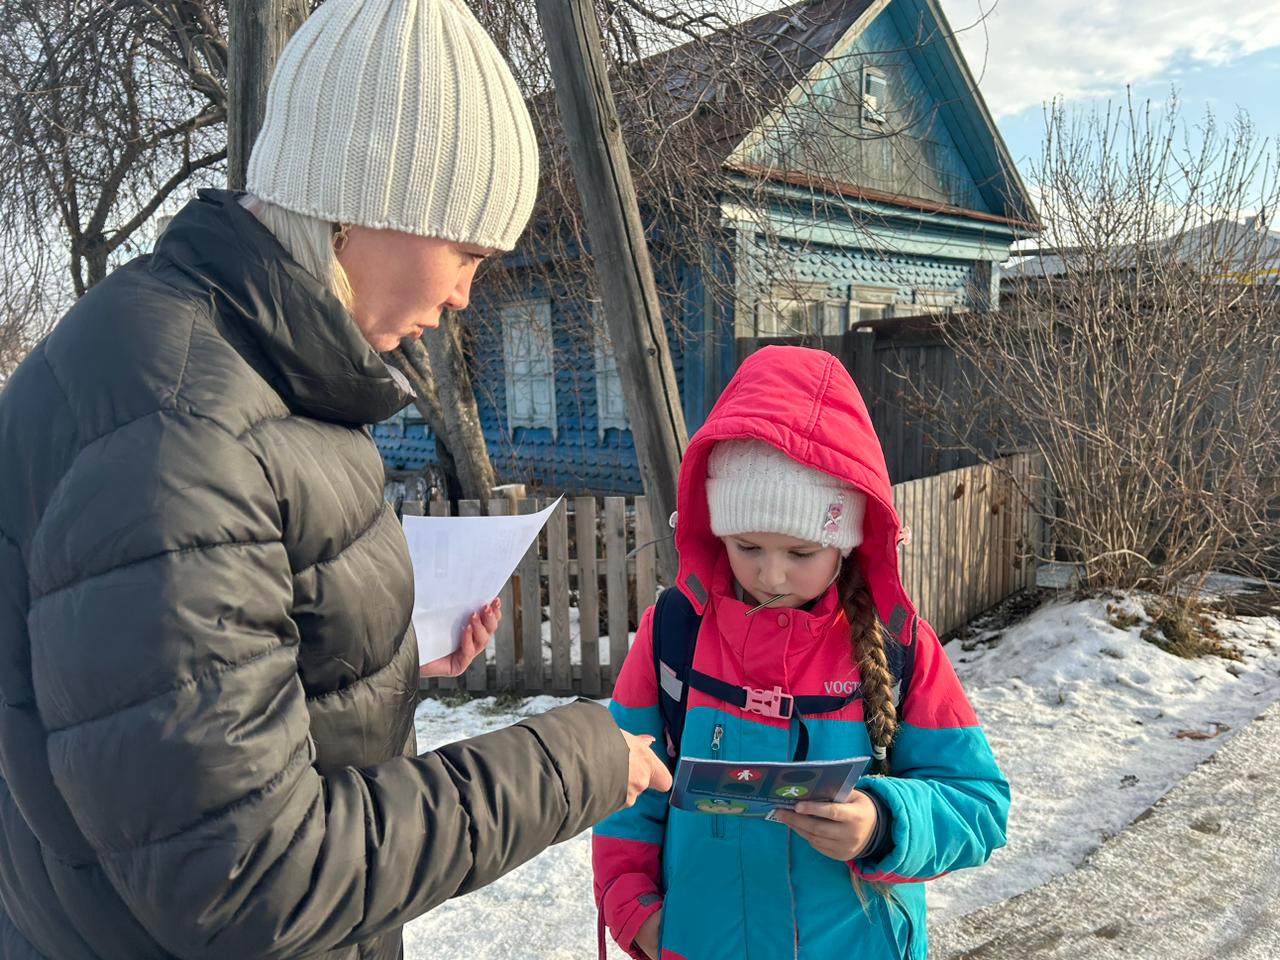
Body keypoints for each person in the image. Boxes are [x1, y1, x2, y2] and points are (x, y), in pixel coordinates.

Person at [0, 1, 669, 957]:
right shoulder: (178, 424)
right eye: (469, 251)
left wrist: (379, 662)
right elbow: (246, 875)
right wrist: (577, 758)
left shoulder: (227, 366)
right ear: (370, 195)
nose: (463, 295)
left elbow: (157, 724)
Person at [592, 346, 1009, 960]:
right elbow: (621, 793)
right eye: (747, 546)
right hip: (703, 942)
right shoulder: (672, 635)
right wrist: (636, 913)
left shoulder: (899, 646)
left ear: (845, 542)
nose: (773, 575)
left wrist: (883, 822)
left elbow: (978, 804)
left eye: (801, 553)